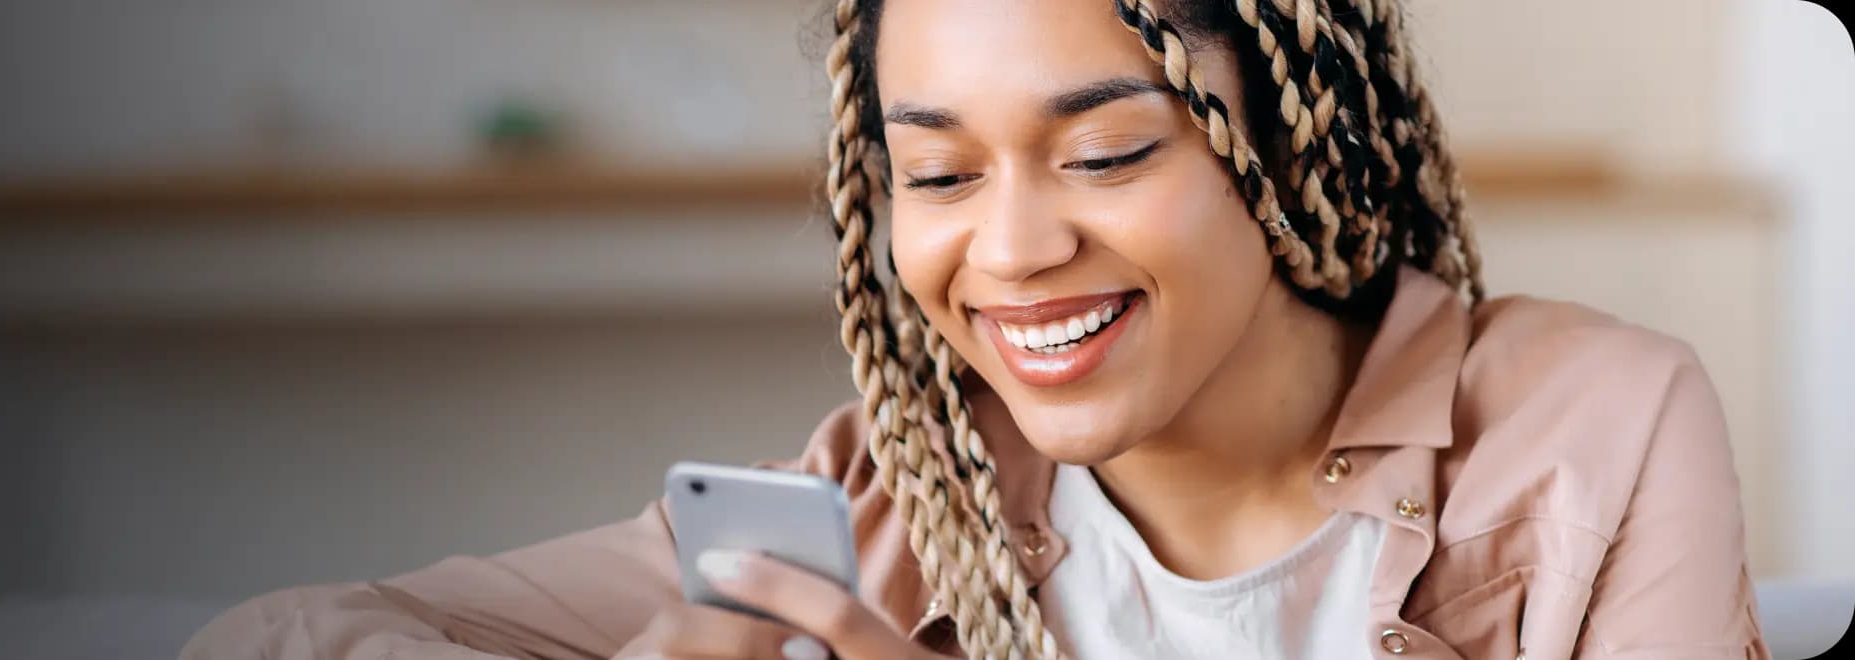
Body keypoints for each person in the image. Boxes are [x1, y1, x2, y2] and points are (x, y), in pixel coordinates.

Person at [181, 0, 1768, 657]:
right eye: (935, 171)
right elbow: (278, 638)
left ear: (1286, 145)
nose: (1007, 250)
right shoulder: (868, 503)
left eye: (1108, 152)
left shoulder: (1597, 428)